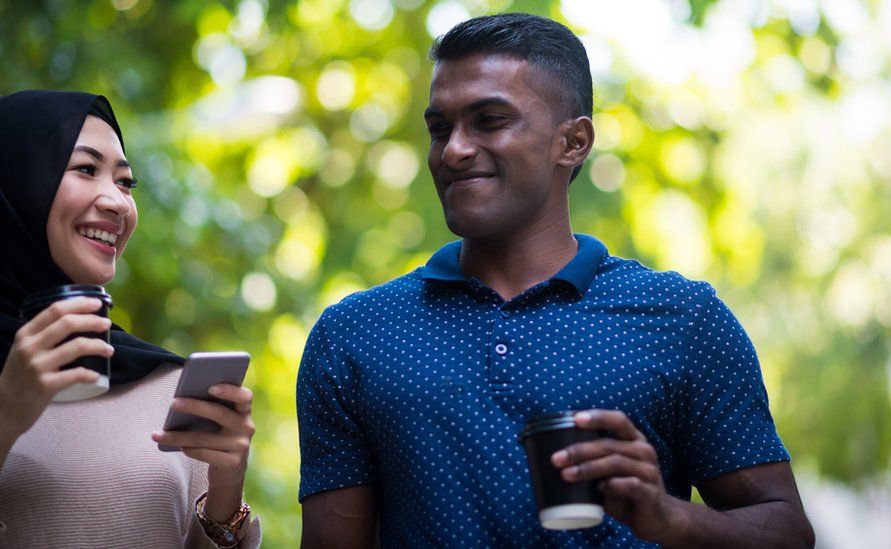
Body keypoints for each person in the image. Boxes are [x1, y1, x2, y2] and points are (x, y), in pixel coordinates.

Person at [296, 13, 814, 547]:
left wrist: (670, 517)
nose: (453, 150)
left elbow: (788, 532)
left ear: (573, 142)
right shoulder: (352, 335)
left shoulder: (682, 319)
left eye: (490, 120)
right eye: (439, 128)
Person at [0, 90, 260, 548]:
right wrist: (2, 415)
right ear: (4, 188)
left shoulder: (170, 386)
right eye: (85, 168)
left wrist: (225, 497)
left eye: (125, 182)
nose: (119, 203)